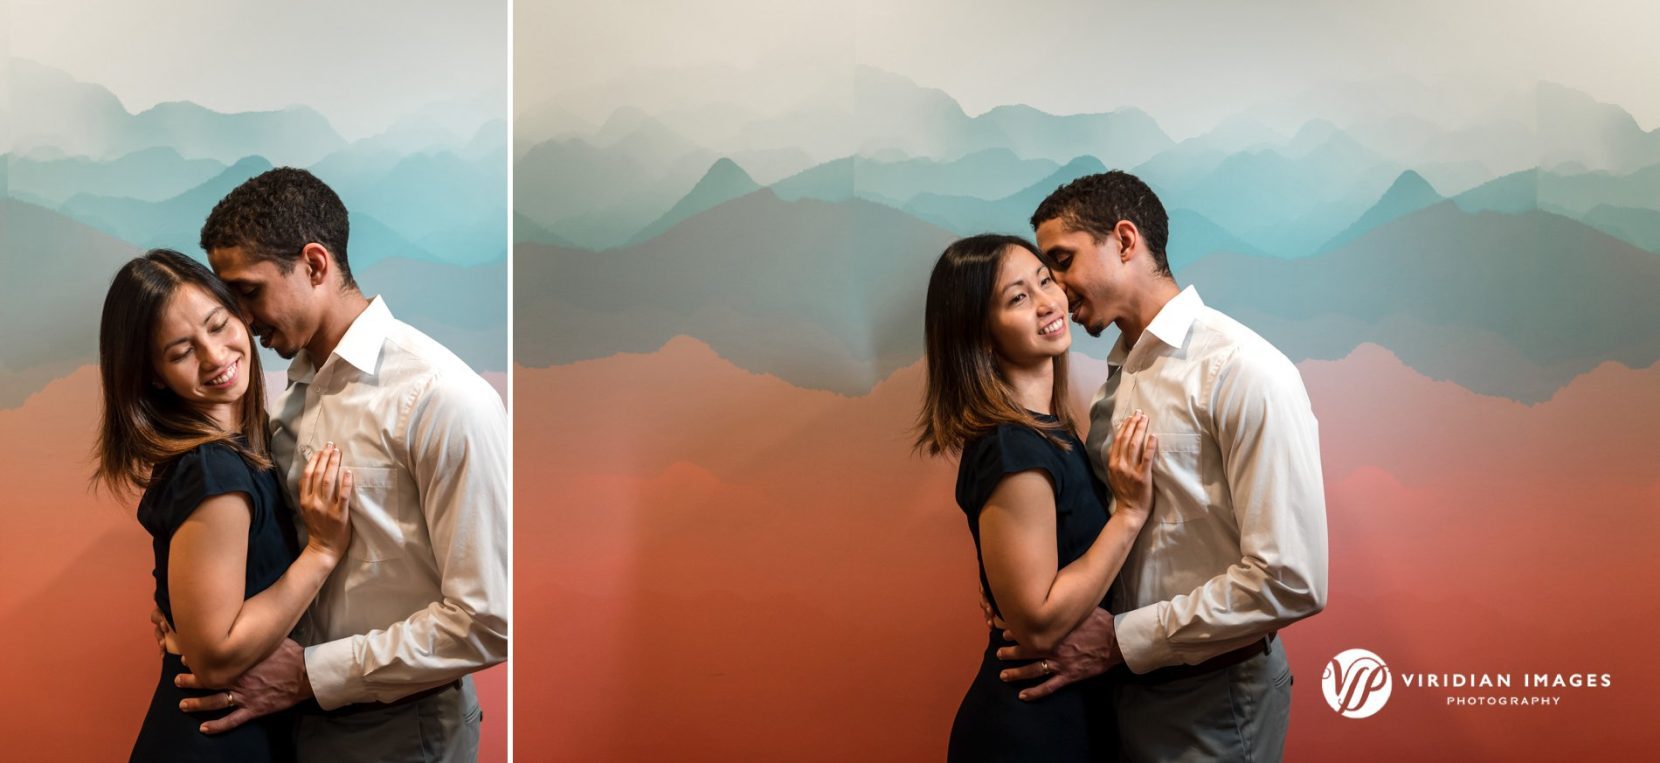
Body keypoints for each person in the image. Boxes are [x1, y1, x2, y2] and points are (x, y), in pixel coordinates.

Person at [160, 167, 509, 762]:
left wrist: (311, 675)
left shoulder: (443, 398)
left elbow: (486, 621)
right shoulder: (285, 404)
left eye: (248, 292)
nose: (242, 319)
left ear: (315, 265)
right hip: (291, 723)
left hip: (401, 731)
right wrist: (191, 615)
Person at [996, 171, 1328, 761]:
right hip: (1122, 697)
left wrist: (1121, 641)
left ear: (1125, 241)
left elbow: (1290, 579)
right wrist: (1017, 585)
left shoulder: (1244, 370)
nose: (1056, 292)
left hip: (1216, 701)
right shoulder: (1116, 381)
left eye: (1062, 263)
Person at [96, 249, 354, 761]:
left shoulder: (244, 447)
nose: (215, 356)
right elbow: (214, 658)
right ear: (153, 375)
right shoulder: (214, 469)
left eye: (218, 325)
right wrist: (323, 551)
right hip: (214, 741)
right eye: (181, 352)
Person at [917, 234, 1160, 761]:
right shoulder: (1015, 447)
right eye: (1018, 298)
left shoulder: (1049, 432)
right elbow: (1038, 623)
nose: (1048, 302)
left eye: (1045, 281)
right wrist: (1130, 514)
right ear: (981, 336)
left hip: (1071, 714)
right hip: (1032, 731)